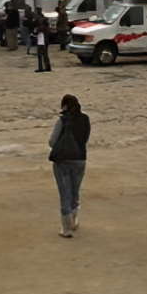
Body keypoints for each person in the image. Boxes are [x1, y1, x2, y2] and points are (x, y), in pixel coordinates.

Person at [48, 94, 91, 237]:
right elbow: (85, 138)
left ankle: (66, 229)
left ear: (64, 106)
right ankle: (74, 220)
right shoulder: (85, 119)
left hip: (62, 160)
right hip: (80, 158)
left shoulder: (62, 121)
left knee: (65, 192)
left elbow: (52, 141)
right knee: (75, 191)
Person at [34, 8, 51, 73]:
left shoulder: (40, 21)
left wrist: (37, 29)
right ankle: (47, 66)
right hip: (43, 39)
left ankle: (41, 67)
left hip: (42, 39)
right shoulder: (44, 20)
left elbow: (40, 29)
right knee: (44, 54)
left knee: (41, 54)